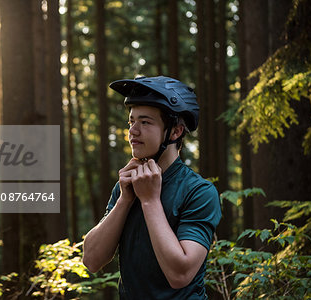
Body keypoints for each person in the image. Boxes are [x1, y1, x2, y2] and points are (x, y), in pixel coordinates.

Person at [82, 76, 222, 299]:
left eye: (145, 122)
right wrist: (124, 200)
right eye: (131, 121)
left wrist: (149, 201)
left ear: (175, 132)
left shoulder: (199, 191)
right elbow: (91, 260)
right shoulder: (126, 186)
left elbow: (181, 273)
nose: (133, 131)